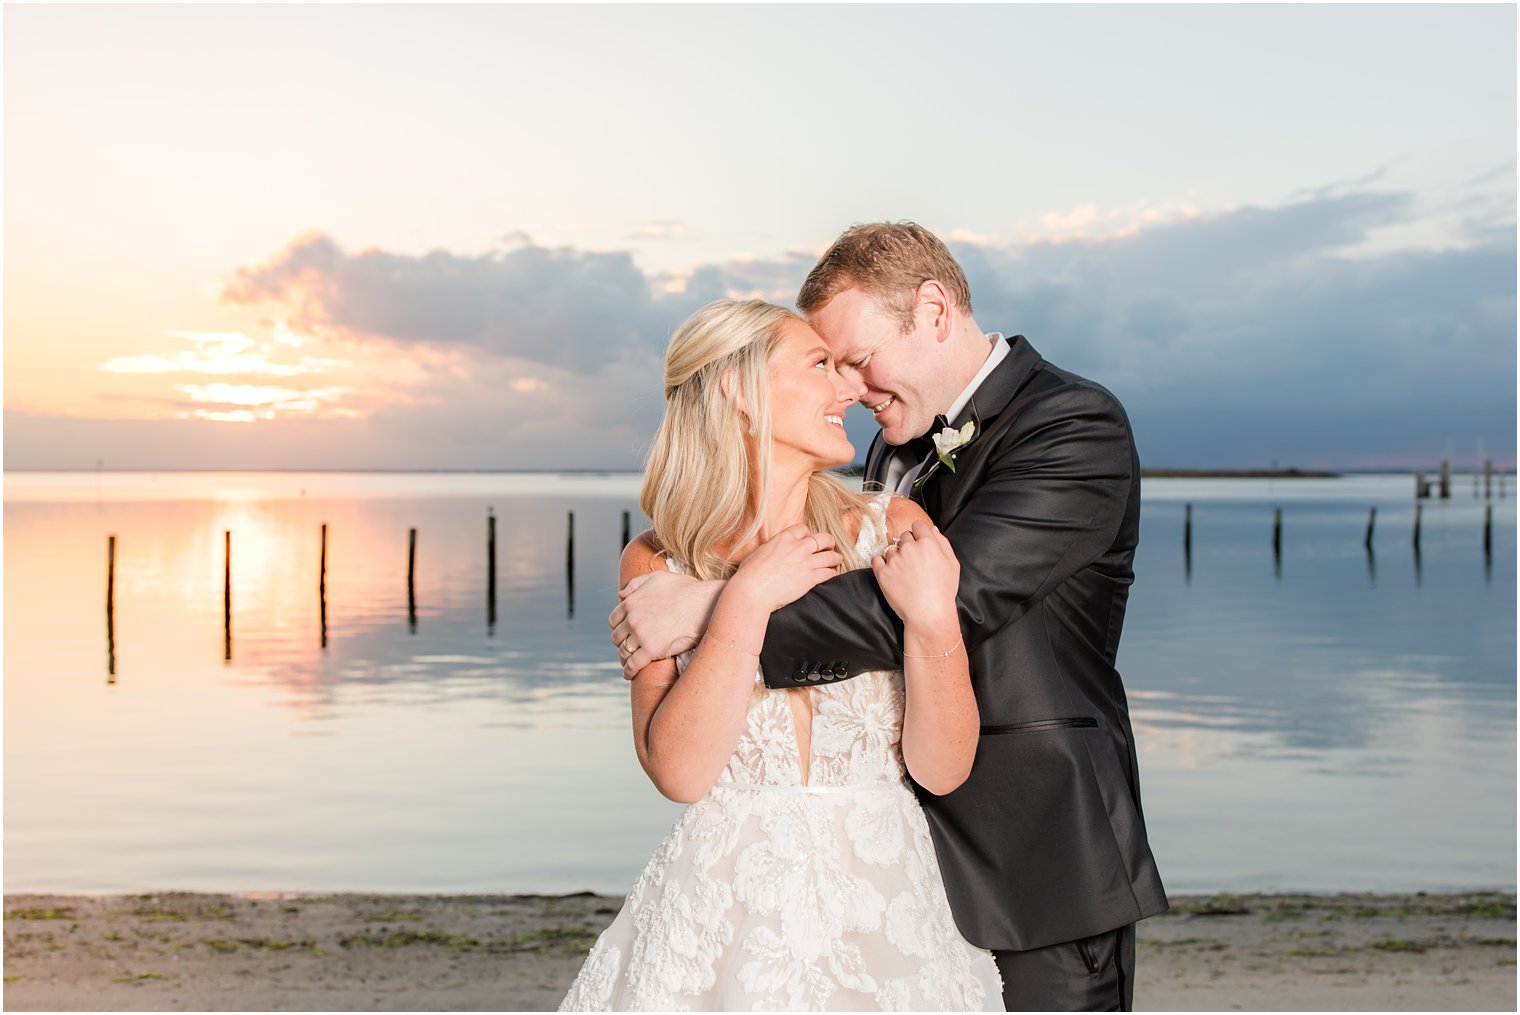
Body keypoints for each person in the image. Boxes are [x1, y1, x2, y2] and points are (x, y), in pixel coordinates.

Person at [611, 223, 1167, 1011]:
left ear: (933, 310)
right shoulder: (883, 460)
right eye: (829, 365)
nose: (853, 388)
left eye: (858, 359)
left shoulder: (1073, 424)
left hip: (1032, 854)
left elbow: (956, 597)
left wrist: (715, 603)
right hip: (893, 868)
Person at [559, 298, 1005, 1011]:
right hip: (725, 912)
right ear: (738, 388)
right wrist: (742, 601)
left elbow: (944, 768)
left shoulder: (891, 529)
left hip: (885, 906)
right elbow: (680, 770)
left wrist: (932, 623)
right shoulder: (656, 561)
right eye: (820, 364)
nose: (852, 388)